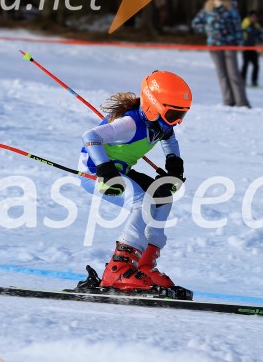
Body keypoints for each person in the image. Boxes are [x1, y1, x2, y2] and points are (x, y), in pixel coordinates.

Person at [79, 71, 191, 291]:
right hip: (97, 174)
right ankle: (118, 269)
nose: (176, 122)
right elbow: (91, 136)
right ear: (152, 105)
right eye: (172, 114)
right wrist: (104, 168)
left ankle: (143, 265)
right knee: (142, 202)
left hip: (121, 171)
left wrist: (174, 165)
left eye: (182, 115)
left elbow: (169, 138)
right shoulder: (130, 123)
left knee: (162, 196)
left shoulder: (161, 124)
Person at [191, 0, 250, 108]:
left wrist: (239, 40)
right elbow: (196, 23)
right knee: (222, 74)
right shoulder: (207, 9)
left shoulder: (230, 7)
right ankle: (228, 100)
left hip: (229, 44)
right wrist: (207, 29)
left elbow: (237, 25)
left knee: (233, 73)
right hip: (214, 46)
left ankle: (242, 101)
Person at [241, 10, 263, 87]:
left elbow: (259, 35)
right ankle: (242, 81)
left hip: (253, 48)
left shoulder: (257, 26)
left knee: (256, 65)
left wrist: (260, 40)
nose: (254, 18)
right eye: (252, 17)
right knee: (245, 64)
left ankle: (254, 81)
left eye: (255, 17)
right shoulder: (245, 23)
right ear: (249, 17)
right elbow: (241, 31)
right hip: (245, 47)